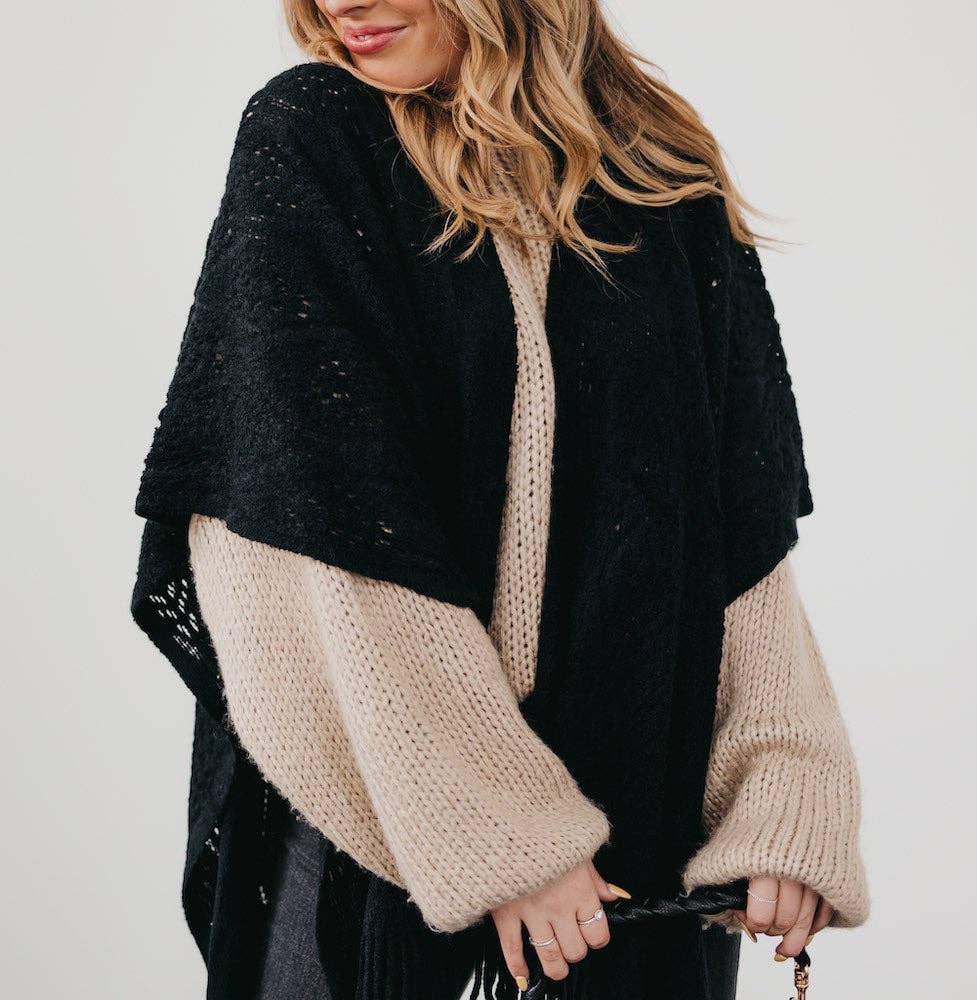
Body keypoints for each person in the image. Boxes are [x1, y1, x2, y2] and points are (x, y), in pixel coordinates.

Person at [130, 2, 870, 998]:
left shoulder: (660, 173)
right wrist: (502, 831)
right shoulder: (312, 135)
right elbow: (318, 523)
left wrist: (782, 790)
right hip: (380, 833)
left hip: (636, 842)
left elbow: (736, 529)